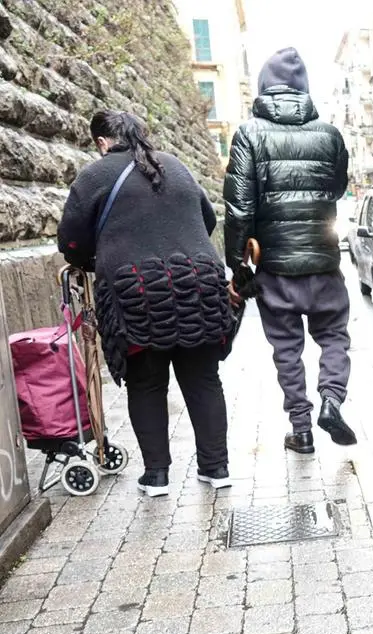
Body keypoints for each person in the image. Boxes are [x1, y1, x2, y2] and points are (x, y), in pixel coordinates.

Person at [57, 111, 234, 498]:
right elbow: (206, 221)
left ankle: (157, 476)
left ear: (103, 142)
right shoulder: (175, 165)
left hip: (136, 294)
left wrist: (97, 258)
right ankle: (216, 467)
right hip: (198, 288)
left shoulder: (95, 175)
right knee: (203, 379)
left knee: (147, 382)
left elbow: (70, 240)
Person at [224, 47, 355, 455]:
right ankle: (332, 399)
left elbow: (239, 207)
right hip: (323, 261)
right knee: (333, 335)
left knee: (287, 350)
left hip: (275, 267)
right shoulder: (329, 134)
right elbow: (336, 188)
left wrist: (236, 264)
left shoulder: (249, 133)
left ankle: (301, 430)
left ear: (265, 88)